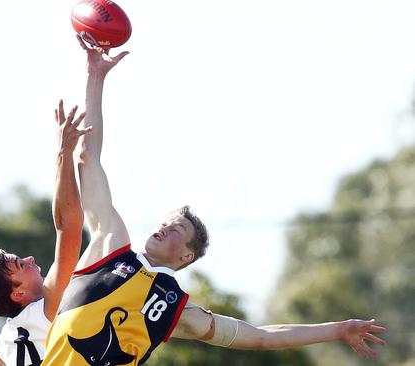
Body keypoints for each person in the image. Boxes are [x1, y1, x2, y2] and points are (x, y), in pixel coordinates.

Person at [41, 36, 387, 365]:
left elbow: (262, 336)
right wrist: (94, 75)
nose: (163, 228)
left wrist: (338, 330)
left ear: (187, 255)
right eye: (164, 222)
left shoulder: (176, 307)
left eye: (176, 228)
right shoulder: (111, 244)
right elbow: (89, 157)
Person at [0, 101, 91, 366]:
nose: (32, 258)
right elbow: (69, 225)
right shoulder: (49, 303)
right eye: (21, 265)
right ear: (18, 294)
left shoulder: (0, 350)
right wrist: (63, 153)